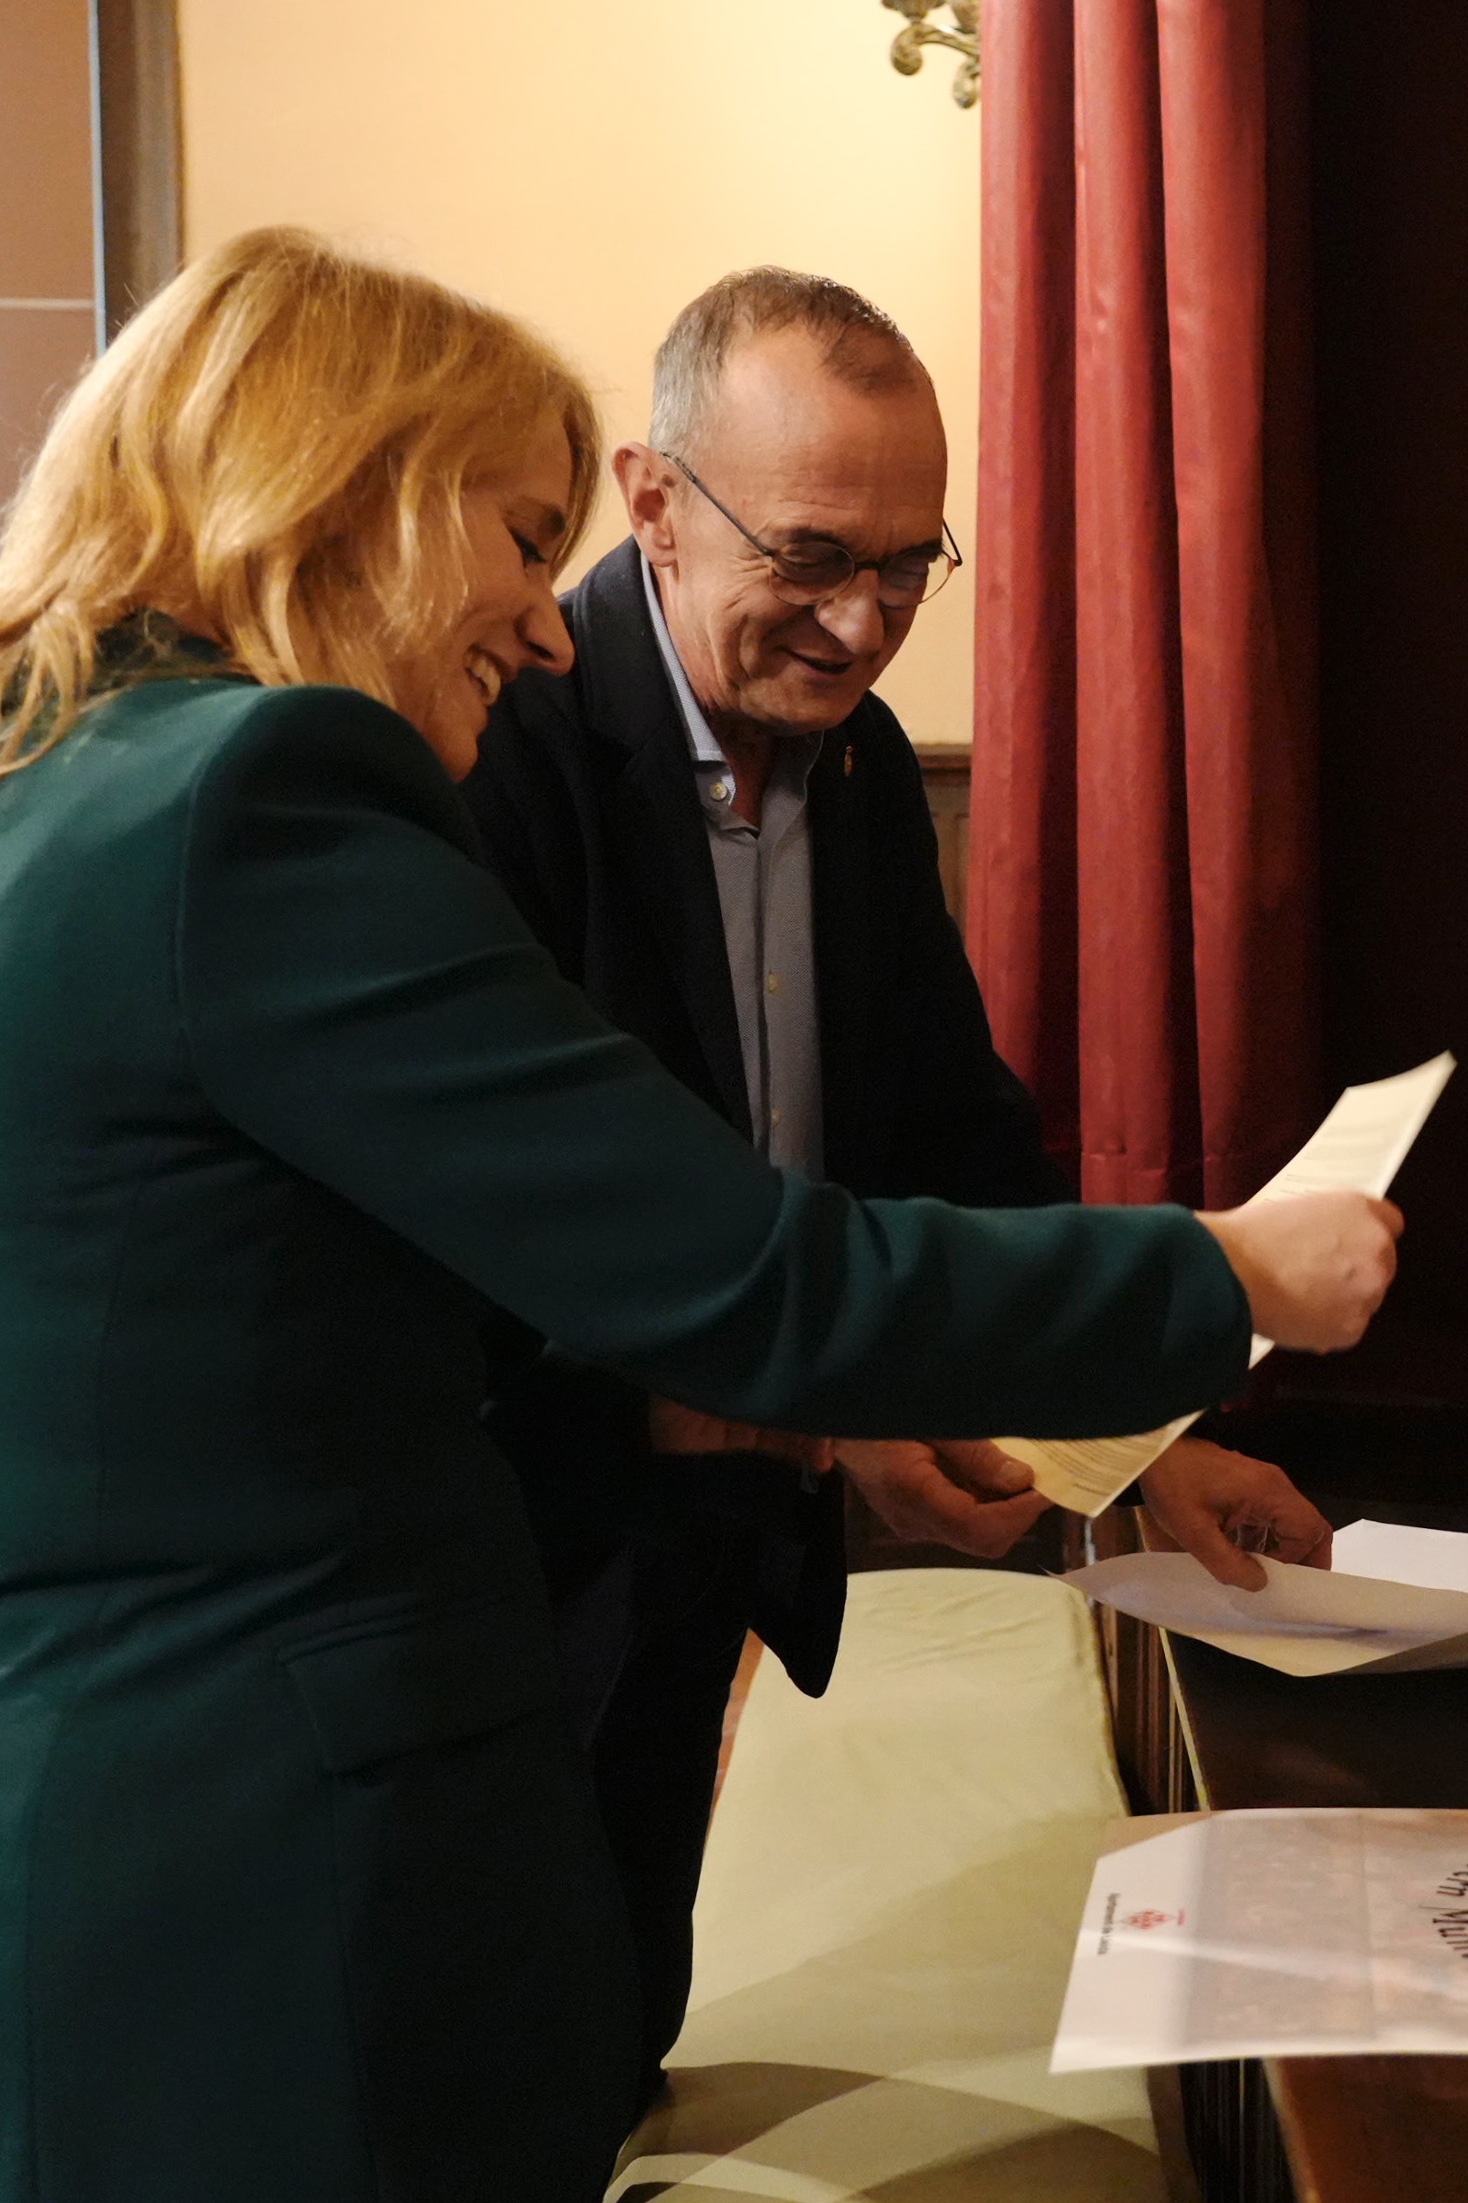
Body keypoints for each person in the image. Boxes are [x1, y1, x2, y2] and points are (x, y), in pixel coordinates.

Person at [0, 229, 1399, 2203]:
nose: (541, 619)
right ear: (345, 489)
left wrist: (1073, 1428)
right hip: (251, 1878)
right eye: (512, 534)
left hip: (81, 1835)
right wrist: (1227, 1274)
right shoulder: (266, 794)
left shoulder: (24, 798)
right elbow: (737, 1275)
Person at [460, 268, 1336, 2105]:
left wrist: (1138, 1446)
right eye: (809, 556)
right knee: (504, 2088)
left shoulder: (851, 764)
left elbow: (957, 1145)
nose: (862, 625)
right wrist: (833, 1415)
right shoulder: (506, 738)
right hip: (514, 1550)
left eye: (907, 565)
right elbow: (510, 1245)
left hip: (714, 1541)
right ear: (652, 502)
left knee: (621, 2036)